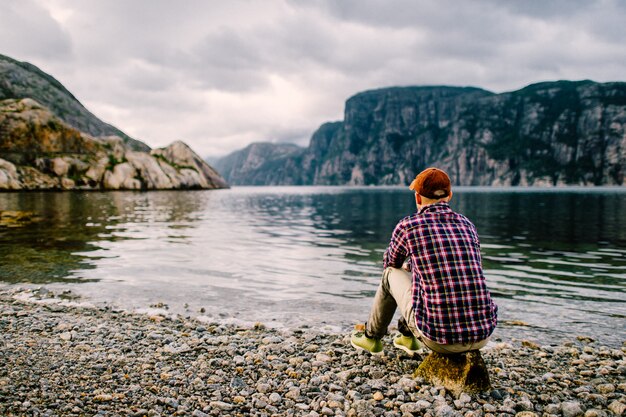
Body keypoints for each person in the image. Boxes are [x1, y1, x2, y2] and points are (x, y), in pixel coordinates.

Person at [351, 167, 497, 355]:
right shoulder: (467, 224)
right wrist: (413, 266)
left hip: (439, 338)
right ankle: (406, 338)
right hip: (482, 335)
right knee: (418, 271)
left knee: (390, 275)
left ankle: (371, 338)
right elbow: (456, 267)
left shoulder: (409, 226)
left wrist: (406, 266)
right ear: (449, 195)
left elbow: (390, 262)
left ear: (418, 198)